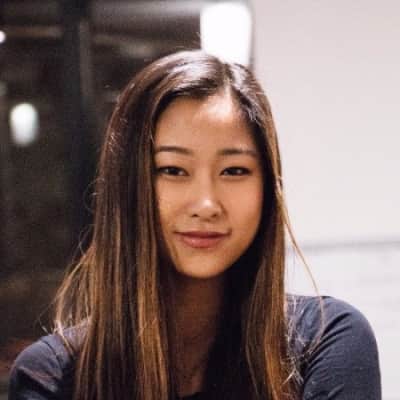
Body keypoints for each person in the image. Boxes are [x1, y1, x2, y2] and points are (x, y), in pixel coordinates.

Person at [9, 50, 381, 400]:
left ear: (268, 187)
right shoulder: (52, 375)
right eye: (173, 170)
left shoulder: (327, 341)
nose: (206, 204)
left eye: (234, 171)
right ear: (127, 186)